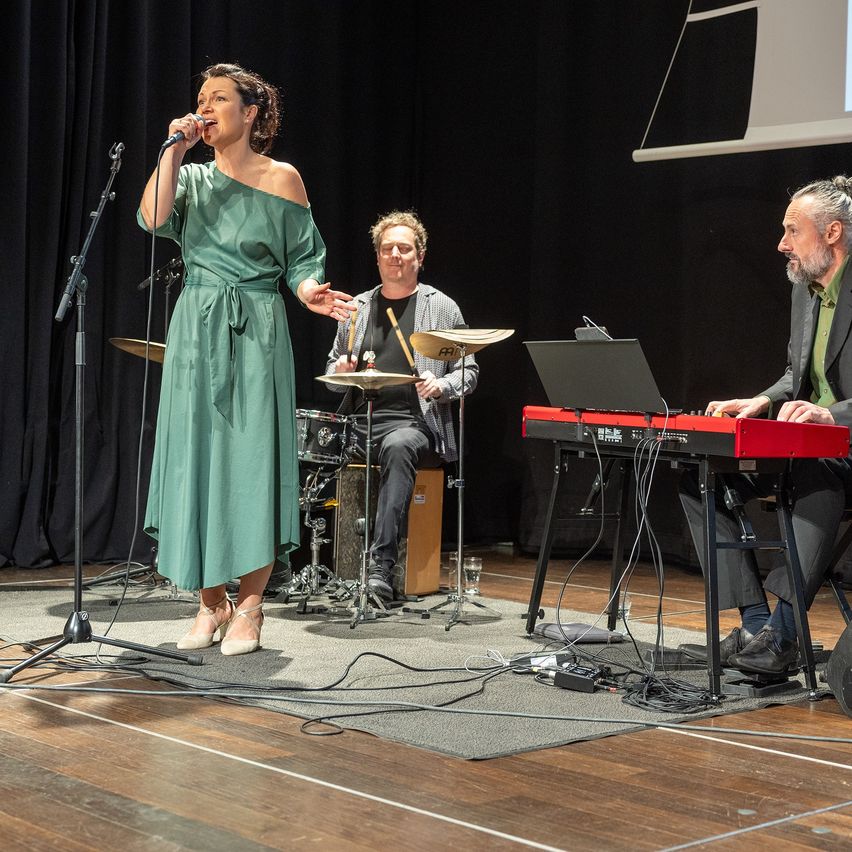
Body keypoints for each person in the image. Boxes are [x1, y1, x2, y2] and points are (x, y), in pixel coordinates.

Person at [138, 63, 352, 655]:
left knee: (254, 462)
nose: (204, 108)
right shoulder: (191, 177)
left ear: (250, 112)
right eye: (200, 99)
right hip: (196, 324)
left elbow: (303, 257)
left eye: (218, 98)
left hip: (256, 324)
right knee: (196, 458)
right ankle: (210, 603)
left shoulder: (282, 178)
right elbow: (152, 218)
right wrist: (173, 151)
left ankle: (252, 607)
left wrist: (308, 291)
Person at [679, 176, 852, 675]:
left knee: (814, 469)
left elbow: (826, 400)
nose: (781, 244)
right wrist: (762, 400)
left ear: (832, 232)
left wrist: (832, 414)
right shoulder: (805, 292)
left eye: (793, 231)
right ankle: (757, 625)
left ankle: (786, 633)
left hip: (843, 448)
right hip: (810, 444)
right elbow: (798, 375)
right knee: (702, 474)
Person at [324, 210, 478, 601]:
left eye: (404, 249)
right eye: (387, 248)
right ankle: (289, 566)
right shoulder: (357, 308)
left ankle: (381, 568)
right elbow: (333, 366)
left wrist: (441, 385)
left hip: (415, 426)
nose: (395, 255)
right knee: (306, 444)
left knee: (398, 446)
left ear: (420, 257)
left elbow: (469, 371)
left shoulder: (442, 308)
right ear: (377, 256)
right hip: (359, 423)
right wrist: (340, 370)